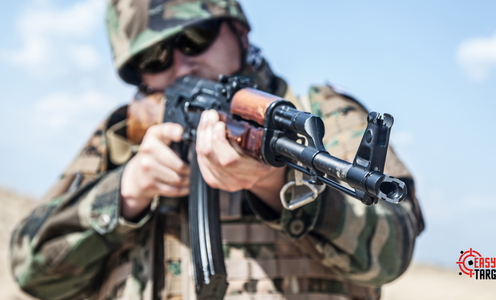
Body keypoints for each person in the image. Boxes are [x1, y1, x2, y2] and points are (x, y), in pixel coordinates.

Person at [10, 1, 424, 299]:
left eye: (195, 37)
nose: (182, 66)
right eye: (154, 58)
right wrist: (127, 192)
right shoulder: (123, 135)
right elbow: (31, 273)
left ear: (239, 31)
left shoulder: (320, 113)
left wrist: (277, 184)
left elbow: (394, 250)